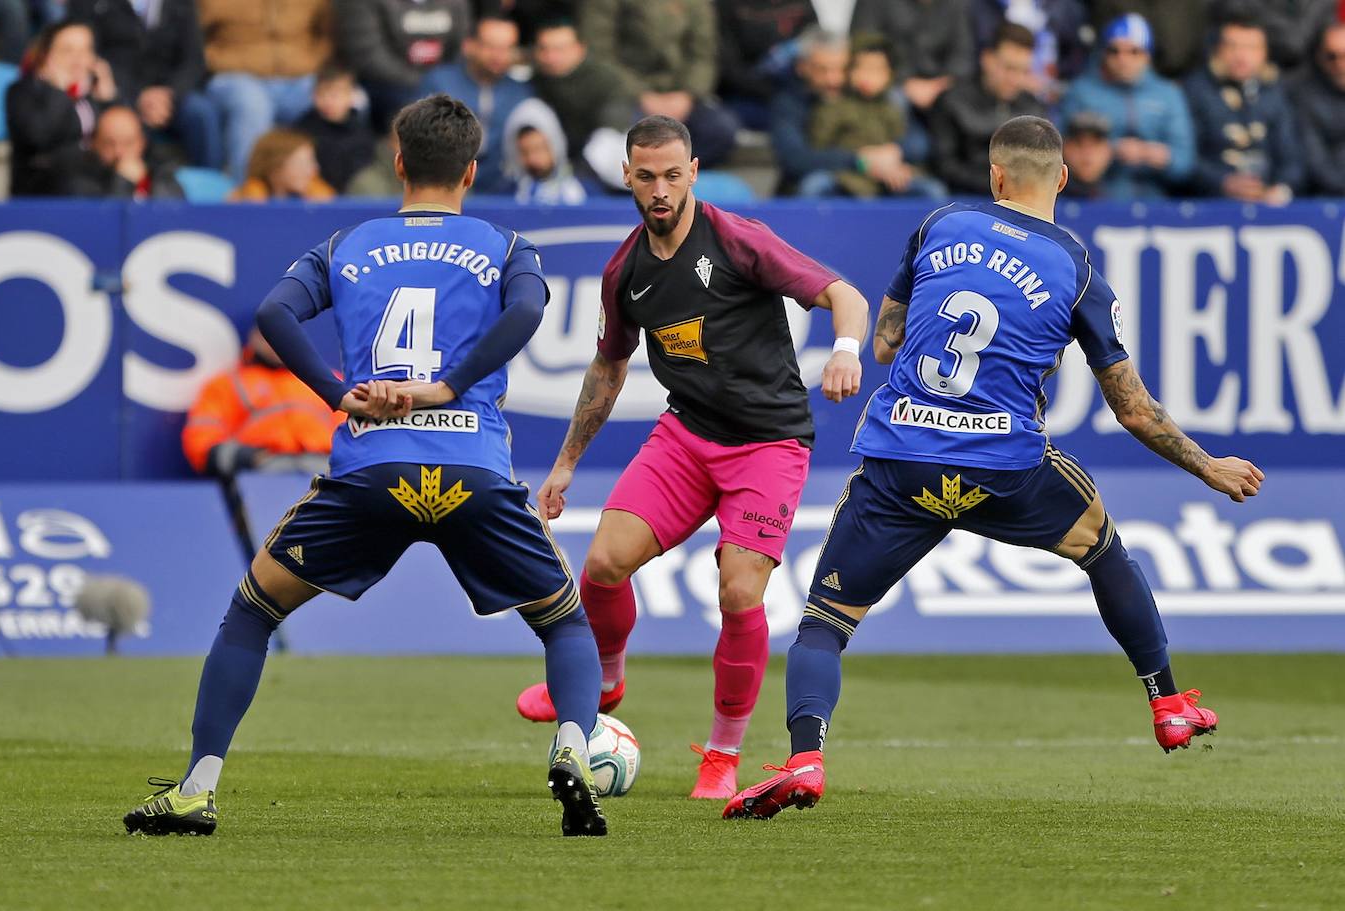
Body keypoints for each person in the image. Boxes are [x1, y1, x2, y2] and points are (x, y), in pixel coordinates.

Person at [724, 115, 1263, 821]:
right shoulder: (1075, 267)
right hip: (1004, 465)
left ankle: (805, 757)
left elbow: (885, 343)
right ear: (1062, 179)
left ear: (994, 175)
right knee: (1102, 548)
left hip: (902, 461)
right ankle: (1166, 701)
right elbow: (1132, 408)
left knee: (825, 622)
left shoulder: (939, 224)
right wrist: (1208, 466)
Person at [122, 93, 608, 839]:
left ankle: (197, 787)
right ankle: (574, 749)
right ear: (473, 171)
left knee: (254, 610)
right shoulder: (508, 246)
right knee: (565, 624)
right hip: (470, 470)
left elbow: (275, 316)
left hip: (371, 469)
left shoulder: (346, 243)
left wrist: (342, 396)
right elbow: (525, 314)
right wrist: (448, 387)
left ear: (398, 161)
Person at [514, 115, 870, 800]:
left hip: (768, 442)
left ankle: (722, 754)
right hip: (686, 436)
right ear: (627, 176)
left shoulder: (737, 240)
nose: (660, 189)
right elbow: (607, 367)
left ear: (693, 172)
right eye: (646, 176)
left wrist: (847, 351)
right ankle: (608, 678)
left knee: (739, 590)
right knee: (604, 562)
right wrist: (565, 465)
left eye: (673, 175)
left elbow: (842, 295)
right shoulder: (625, 271)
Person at [579, 0, 740, 166]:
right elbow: (600, 55)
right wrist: (641, 94)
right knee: (615, 135)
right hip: (624, 93)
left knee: (720, 129)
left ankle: (678, 178)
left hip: (681, 94)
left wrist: (687, 94)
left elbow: (704, 54)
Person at [66, 0, 223, 169]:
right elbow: (91, 53)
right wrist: (137, 96)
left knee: (201, 114)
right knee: (121, 125)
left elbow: (193, 60)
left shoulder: (182, 3)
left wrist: (168, 94)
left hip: (170, 94)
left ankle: (211, 187)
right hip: (119, 92)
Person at [771, 28, 924, 197]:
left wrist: (894, 152)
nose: (833, 79)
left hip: (883, 176)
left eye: (841, 69)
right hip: (826, 180)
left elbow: (918, 141)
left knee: (927, 189)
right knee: (815, 185)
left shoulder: (871, 95)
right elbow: (795, 159)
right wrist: (860, 161)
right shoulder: (789, 102)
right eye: (822, 69)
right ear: (802, 67)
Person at [1057, 13, 1195, 199]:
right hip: (1095, 196)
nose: (1123, 59)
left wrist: (1152, 154)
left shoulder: (1168, 94)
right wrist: (1109, 151)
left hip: (1157, 199)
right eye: (1114, 51)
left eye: (1134, 52)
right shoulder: (1081, 92)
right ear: (1103, 53)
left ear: (1148, 55)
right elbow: (1062, 151)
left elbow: (1185, 162)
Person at [182, 326, 343, 476]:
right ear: (254, 337)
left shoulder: (328, 379)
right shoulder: (227, 384)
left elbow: (356, 432)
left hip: (325, 467)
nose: (277, 342)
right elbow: (201, 442)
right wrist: (246, 457)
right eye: (269, 334)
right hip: (261, 469)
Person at [199, 0, 332, 178]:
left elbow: (328, 33)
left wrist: (314, 61)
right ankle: (249, 193)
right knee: (252, 105)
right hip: (236, 77)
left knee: (348, 99)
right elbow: (192, 35)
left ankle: (328, 194)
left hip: (300, 77)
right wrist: (215, 60)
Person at [1183, 15, 1302, 204]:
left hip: (1267, 202)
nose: (1241, 55)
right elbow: (1186, 157)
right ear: (1217, 50)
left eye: (1251, 48)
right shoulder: (1196, 91)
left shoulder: (1275, 92)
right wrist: (1222, 182)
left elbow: (1292, 158)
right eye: (1232, 46)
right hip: (1210, 203)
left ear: (1265, 53)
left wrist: (1282, 188)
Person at [806, 36, 943, 198]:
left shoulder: (894, 107)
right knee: (815, 185)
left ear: (889, 74)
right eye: (862, 68)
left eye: (877, 70)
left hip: (891, 177)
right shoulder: (834, 106)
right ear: (849, 71)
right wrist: (862, 160)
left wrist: (897, 163)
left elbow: (913, 144)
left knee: (932, 190)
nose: (868, 76)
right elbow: (818, 146)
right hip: (846, 175)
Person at [929, 22, 1045, 196]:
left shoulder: (1032, 107)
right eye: (1009, 68)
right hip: (963, 197)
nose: (1015, 79)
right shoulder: (953, 101)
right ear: (987, 59)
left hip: (1017, 200)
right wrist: (999, 183)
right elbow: (944, 165)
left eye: (1023, 71)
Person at [5, 19, 118, 197]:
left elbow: (124, 140)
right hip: (44, 189)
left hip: (92, 182)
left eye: (86, 50)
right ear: (46, 56)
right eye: (68, 50)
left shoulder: (92, 95)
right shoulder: (22, 91)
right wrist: (58, 91)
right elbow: (37, 138)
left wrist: (110, 101)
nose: (79, 59)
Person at [424, 16, 533, 194]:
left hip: (504, 187)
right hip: (444, 180)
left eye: (507, 48)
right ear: (469, 45)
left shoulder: (521, 92)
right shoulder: (439, 83)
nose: (499, 56)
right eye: (491, 46)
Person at [331, 0, 471, 131]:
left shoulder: (456, 3)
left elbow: (462, 47)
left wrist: (442, 81)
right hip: (385, 86)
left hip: (442, 82)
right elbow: (368, 57)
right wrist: (426, 84)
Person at [531, 20, 635, 173]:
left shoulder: (606, 79)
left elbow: (612, 128)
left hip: (597, 162)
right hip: (549, 163)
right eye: (544, 49)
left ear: (580, 49)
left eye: (560, 49)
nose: (551, 57)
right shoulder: (535, 81)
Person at [850, 0, 974, 113]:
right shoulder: (874, 4)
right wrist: (905, 82)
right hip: (891, 84)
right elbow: (864, 47)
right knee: (895, 100)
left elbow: (964, 56)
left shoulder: (956, 4)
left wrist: (936, 86)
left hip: (940, 90)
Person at [715, 0, 818, 129]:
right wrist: (773, 92)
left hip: (796, 93)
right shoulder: (726, 5)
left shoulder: (802, 4)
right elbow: (728, 69)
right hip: (745, 96)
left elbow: (817, 43)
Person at [294, 66, 377, 193]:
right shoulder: (303, 129)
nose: (328, 101)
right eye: (321, 94)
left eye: (335, 95)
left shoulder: (361, 131)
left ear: (350, 96)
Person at [75, 104, 186, 199]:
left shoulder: (160, 171)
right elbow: (104, 220)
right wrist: (123, 182)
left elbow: (172, 214)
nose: (119, 152)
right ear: (94, 144)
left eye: (128, 143)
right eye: (109, 143)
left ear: (141, 143)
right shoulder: (82, 179)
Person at [1290, 23, 1345, 195]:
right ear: (1319, 57)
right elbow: (1316, 164)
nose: (1340, 65)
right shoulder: (1305, 97)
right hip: (1329, 197)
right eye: (1332, 56)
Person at [502, 98, 590, 205]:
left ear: (554, 145)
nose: (532, 159)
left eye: (538, 149)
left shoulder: (583, 190)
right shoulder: (506, 195)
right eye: (525, 152)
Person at [227, 128, 336, 201]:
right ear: (274, 167)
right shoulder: (244, 198)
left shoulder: (317, 195)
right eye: (302, 164)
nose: (314, 169)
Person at [1061, 112, 1114, 198]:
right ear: (1065, 149)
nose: (1087, 153)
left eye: (1095, 144)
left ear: (1108, 151)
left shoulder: (1124, 198)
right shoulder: (1047, 200)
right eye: (1079, 144)